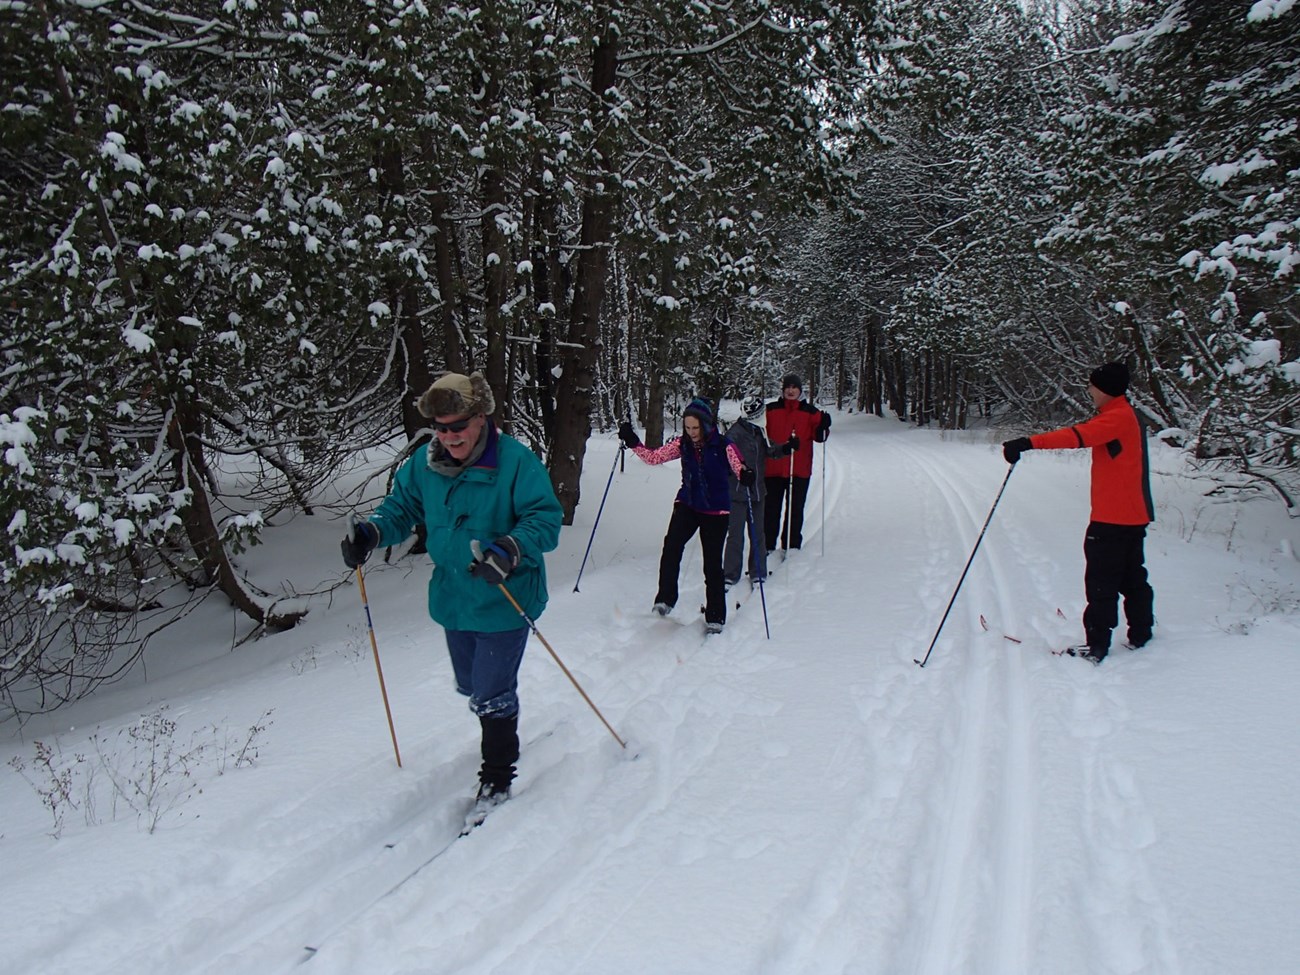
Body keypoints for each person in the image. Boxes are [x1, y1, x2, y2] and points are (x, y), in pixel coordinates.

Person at [340, 371, 562, 821]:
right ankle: (494, 727)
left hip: (505, 594)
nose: (449, 435)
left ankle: (497, 777)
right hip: (454, 598)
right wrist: (372, 532)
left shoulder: (516, 462)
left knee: (491, 692)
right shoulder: (424, 464)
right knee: (472, 686)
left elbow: (545, 518)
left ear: (480, 418)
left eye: (457, 425)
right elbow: (402, 509)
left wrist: (510, 548)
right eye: (440, 427)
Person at [1002, 361, 1155, 665]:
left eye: (1092, 386)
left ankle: (1097, 645)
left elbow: (1077, 437)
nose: (1089, 391)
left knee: (1102, 580)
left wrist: (1028, 442)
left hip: (1113, 519)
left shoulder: (1117, 418)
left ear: (1105, 389)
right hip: (1131, 516)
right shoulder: (1124, 416)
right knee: (1131, 577)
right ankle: (1141, 633)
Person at [618, 397, 753, 634]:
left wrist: (746, 474)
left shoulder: (724, 445)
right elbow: (653, 458)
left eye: (695, 428)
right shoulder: (682, 444)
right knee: (671, 546)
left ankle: (715, 617)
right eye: (688, 427)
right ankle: (665, 599)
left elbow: (738, 466)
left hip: (716, 510)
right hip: (688, 504)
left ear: (706, 424)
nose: (691, 433)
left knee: (712, 563)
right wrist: (632, 441)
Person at [723, 396, 796, 588]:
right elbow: (727, 459)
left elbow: (771, 450)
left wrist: (787, 448)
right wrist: (740, 472)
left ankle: (758, 572)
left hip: (757, 492)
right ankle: (730, 574)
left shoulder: (759, 432)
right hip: (738, 493)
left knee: (758, 533)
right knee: (735, 535)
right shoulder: (734, 434)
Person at [763, 373, 831, 553]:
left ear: (800, 390)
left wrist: (824, 426)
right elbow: (761, 434)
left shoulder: (810, 412)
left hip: (799, 470)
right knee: (771, 509)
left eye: (794, 387)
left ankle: (791, 545)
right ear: (783, 389)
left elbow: (819, 437)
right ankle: (768, 544)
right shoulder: (770, 410)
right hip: (773, 469)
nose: (791, 391)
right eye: (788, 387)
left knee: (795, 509)